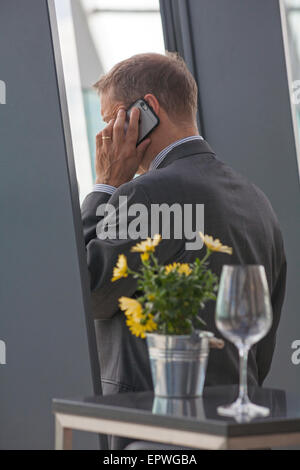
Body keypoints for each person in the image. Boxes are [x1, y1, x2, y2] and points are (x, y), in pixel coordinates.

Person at [81, 51, 286, 426]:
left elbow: (86, 289)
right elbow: (262, 345)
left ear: (146, 111)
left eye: (112, 120)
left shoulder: (146, 195)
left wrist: (105, 186)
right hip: (235, 424)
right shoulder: (256, 198)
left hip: (156, 424)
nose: (106, 137)